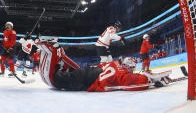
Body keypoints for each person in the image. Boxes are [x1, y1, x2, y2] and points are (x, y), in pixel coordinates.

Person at [36, 41, 171, 92]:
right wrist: (151, 80)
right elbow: (133, 83)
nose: (132, 70)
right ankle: (56, 72)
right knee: (62, 81)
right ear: (128, 67)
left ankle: (58, 63)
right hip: (90, 79)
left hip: (89, 71)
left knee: (72, 72)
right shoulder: (122, 74)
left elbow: (98, 65)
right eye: (132, 68)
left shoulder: (113, 63)